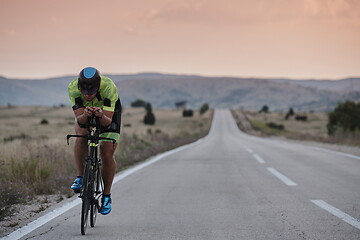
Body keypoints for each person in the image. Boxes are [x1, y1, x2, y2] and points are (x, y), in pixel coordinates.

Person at [68, 67, 122, 215]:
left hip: (108, 114)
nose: (87, 95)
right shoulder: (73, 88)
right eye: (84, 92)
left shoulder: (109, 87)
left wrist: (99, 115)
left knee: (107, 151)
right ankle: (80, 176)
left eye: (91, 92)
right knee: (81, 134)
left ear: (98, 87)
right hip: (86, 113)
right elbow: (80, 120)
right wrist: (85, 114)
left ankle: (106, 195)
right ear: (79, 87)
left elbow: (106, 122)